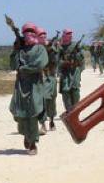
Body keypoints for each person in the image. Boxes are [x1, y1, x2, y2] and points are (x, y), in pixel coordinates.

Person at [9, 21, 48, 155]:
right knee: (20, 113)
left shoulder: (40, 49)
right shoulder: (20, 50)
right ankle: (26, 135)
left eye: (32, 31)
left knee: (32, 113)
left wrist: (24, 68)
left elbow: (39, 64)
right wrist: (15, 51)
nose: (29, 34)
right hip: (20, 86)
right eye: (26, 32)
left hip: (35, 86)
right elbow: (13, 66)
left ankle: (33, 142)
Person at [57, 29, 83, 111]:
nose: (69, 35)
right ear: (63, 35)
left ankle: (75, 109)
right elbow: (56, 59)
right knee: (65, 91)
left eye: (70, 34)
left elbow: (81, 59)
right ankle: (69, 111)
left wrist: (77, 53)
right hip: (65, 72)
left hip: (75, 71)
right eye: (67, 34)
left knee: (75, 91)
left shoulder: (76, 45)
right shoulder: (60, 46)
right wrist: (63, 63)